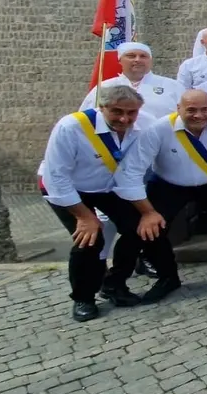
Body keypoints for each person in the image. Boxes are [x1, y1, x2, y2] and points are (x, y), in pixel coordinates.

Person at [112, 90, 207, 300]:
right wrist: (147, 212)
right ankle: (168, 277)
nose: (199, 115)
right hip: (169, 184)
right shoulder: (158, 130)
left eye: (205, 109)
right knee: (151, 230)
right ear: (178, 109)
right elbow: (132, 171)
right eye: (191, 110)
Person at [39, 86, 174, 321]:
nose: (124, 118)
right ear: (102, 108)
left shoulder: (145, 126)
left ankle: (114, 284)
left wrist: (148, 212)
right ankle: (83, 298)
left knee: (139, 229)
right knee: (90, 240)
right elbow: (56, 177)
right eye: (117, 112)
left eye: (131, 113)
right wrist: (83, 216)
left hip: (110, 187)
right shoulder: (71, 127)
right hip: (69, 189)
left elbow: (132, 171)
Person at [80, 42, 185, 122]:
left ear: (150, 60)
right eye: (131, 56)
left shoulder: (172, 86)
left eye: (143, 56)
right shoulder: (105, 87)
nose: (137, 60)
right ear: (120, 60)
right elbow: (86, 118)